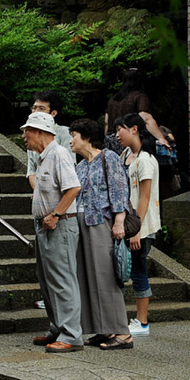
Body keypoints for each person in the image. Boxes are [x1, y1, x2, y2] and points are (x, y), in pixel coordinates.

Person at [68, 119, 133, 350]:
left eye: (74, 135)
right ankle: (101, 328)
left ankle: (122, 332)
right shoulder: (81, 165)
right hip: (81, 222)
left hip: (101, 222)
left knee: (105, 276)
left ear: (86, 136)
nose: (70, 140)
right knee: (86, 276)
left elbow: (119, 190)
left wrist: (119, 222)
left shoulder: (108, 158)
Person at [21, 111, 82, 353]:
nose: (24, 136)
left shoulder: (58, 154)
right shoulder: (43, 157)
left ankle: (71, 335)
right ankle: (57, 328)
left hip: (59, 225)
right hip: (46, 225)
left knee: (62, 280)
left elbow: (73, 188)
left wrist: (55, 214)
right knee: (48, 282)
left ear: (41, 132)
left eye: (28, 130)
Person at [115, 113, 160, 337]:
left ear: (133, 129)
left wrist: (137, 230)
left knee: (139, 271)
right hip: (127, 223)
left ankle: (142, 322)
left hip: (139, 226)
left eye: (119, 130)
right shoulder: (126, 154)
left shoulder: (146, 159)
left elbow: (144, 197)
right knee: (127, 269)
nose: (116, 135)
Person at [104, 68, 169, 153]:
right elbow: (146, 118)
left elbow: (106, 122)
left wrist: (107, 139)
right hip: (130, 139)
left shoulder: (113, 99)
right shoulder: (140, 97)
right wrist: (161, 138)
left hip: (111, 139)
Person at [25, 91, 73, 190]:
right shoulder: (30, 136)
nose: (36, 112)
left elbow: (69, 167)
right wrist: (38, 192)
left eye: (41, 108)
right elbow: (31, 172)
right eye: (34, 108)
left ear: (53, 113)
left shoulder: (64, 133)